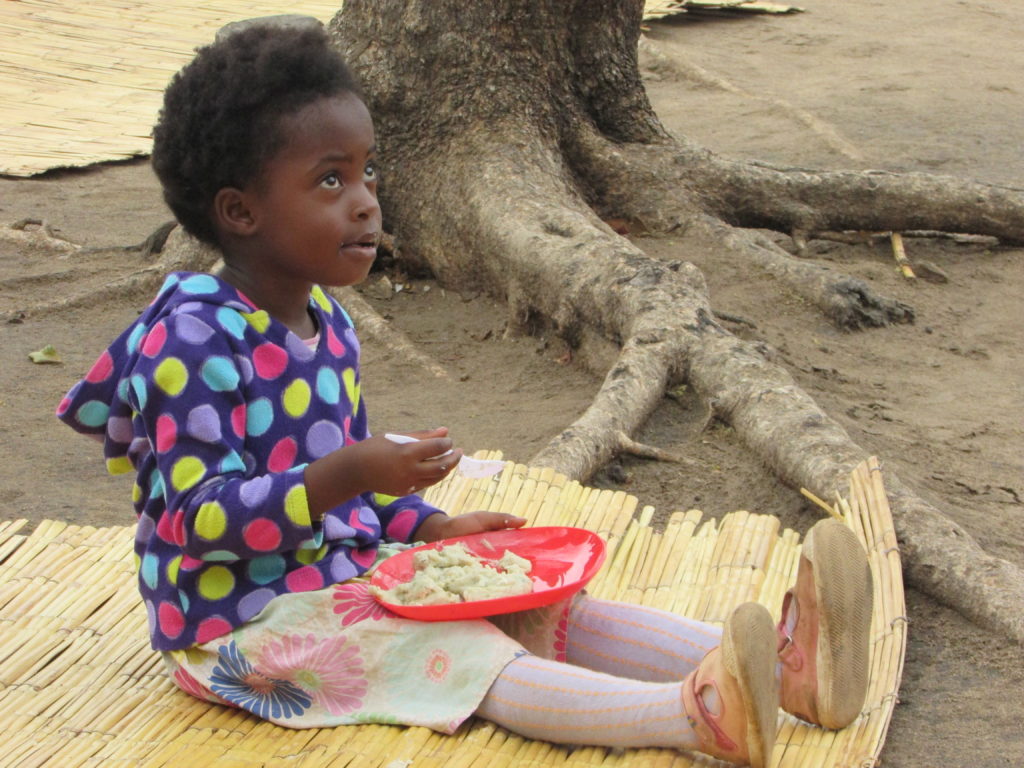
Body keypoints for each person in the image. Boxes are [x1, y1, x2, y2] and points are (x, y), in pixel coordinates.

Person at [56, 23, 873, 767]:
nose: (367, 199)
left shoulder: (328, 323)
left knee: (538, 604)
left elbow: (350, 506)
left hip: (340, 573)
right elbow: (196, 522)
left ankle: (792, 672)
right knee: (462, 658)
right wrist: (349, 474)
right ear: (240, 211)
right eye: (330, 180)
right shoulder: (191, 340)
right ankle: (695, 714)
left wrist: (433, 527)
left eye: (367, 170)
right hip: (240, 626)